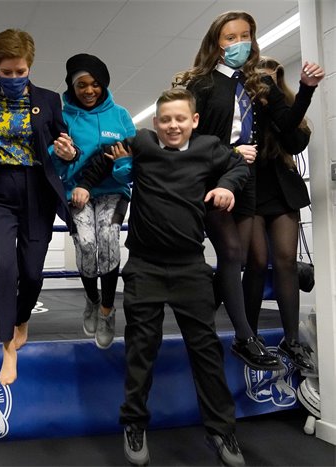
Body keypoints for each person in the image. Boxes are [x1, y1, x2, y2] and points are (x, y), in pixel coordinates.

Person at [173, 10, 323, 372]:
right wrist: (228, 152)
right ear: (216, 43)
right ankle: (243, 335)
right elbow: (188, 139)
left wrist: (305, 89)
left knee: (253, 257)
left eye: (245, 36)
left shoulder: (259, 84)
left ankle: (255, 338)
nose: (239, 44)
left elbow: (288, 127)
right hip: (216, 178)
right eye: (230, 37)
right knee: (238, 257)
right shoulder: (201, 84)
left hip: (250, 182)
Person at [110, 88, 248, 466]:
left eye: (180, 119)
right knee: (141, 348)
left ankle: (222, 431)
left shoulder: (209, 148)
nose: (173, 125)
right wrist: (81, 179)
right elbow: (101, 154)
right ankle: (134, 423)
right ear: (156, 123)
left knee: (205, 350)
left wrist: (225, 185)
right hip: (145, 265)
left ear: (194, 121)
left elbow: (239, 166)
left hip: (190, 266)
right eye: (166, 119)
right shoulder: (141, 143)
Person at [0, 29, 75, 386]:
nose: (13, 78)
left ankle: (22, 316)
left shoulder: (49, 99)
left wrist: (67, 152)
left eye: (20, 71)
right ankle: (7, 350)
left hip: (36, 190)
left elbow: (64, 142)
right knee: (3, 266)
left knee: (31, 272)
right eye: (6, 72)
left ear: (30, 66)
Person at [52, 53, 135, 349]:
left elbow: (129, 159)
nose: (89, 91)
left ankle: (107, 311)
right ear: (72, 87)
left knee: (108, 238)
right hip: (77, 192)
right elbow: (55, 165)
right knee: (87, 243)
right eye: (82, 85)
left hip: (113, 191)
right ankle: (91, 299)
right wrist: (63, 159)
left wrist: (123, 167)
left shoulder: (121, 115)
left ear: (104, 84)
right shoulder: (63, 117)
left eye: (95, 84)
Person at [242, 56, 318, 377]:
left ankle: (291, 340)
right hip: (249, 189)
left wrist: (276, 99)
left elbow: (295, 141)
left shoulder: (285, 105)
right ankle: (249, 336)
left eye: (270, 76)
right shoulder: (241, 107)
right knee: (258, 262)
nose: (265, 80)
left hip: (281, 190)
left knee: (286, 259)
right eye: (259, 75)